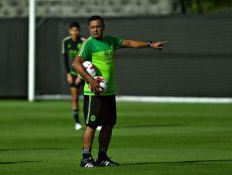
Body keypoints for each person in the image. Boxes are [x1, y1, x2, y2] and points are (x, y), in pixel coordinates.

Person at [72, 15, 169, 168]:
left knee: (109, 124)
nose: (95, 29)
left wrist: (150, 44)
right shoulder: (88, 44)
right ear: (89, 28)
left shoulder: (110, 41)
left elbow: (129, 43)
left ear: (103, 27)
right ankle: (85, 158)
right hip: (94, 94)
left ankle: (102, 157)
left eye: (98, 26)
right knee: (91, 125)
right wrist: (91, 80)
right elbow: (76, 64)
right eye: (92, 27)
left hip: (109, 92)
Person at [61, 22, 85, 131]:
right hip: (72, 74)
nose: (74, 32)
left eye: (76, 30)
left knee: (89, 98)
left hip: (84, 74)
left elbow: (86, 59)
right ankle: (77, 122)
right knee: (74, 98)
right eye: (72, 30)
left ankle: (94, 121)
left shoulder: (84, 41)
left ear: (79, 31)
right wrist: (68, 74)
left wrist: (81, 75)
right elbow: (65, 58)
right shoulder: (66, 41)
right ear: (69, 31)